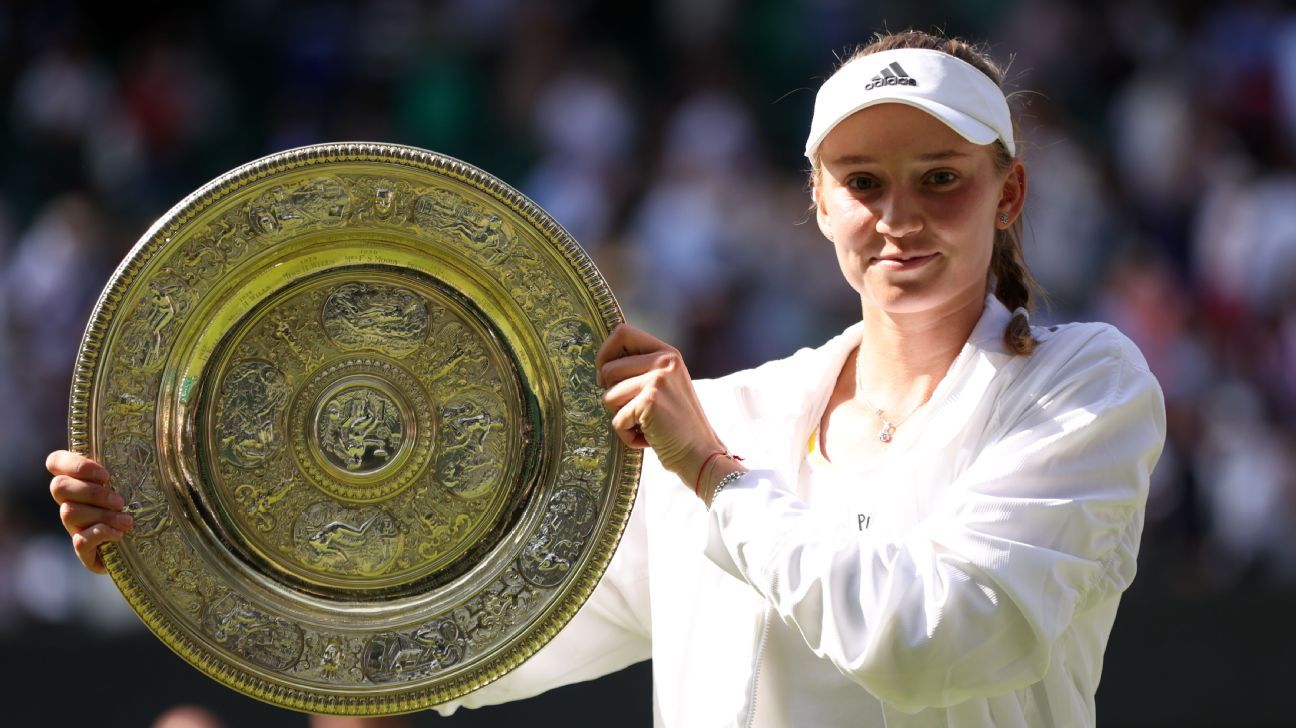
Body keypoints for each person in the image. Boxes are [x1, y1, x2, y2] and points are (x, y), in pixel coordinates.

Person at [48, 30, 1165, 727]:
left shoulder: (1084, 387)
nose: (899, 216)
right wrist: (172, 526)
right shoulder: (734, 412)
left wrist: (717, 479)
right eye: (863, 181)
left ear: (1009, 195)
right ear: (817, 201)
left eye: (943, 180)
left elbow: (932, 645)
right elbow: (470, 636)